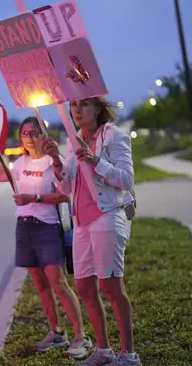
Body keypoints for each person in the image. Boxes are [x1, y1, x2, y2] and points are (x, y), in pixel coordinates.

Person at [42, 96, 141, 366]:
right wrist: (56, 160)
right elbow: (66, 188)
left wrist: (96, 159)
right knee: (84, 287)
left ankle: (129, 355)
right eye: (73, 105)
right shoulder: (74, 140)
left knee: (111, 287)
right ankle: (104, 350)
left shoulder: (114, 136)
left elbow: (126, 179)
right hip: (81, 223)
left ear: (97, 107)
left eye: (83, 104)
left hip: (107, 216)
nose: (77, 110)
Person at [0, 117, 92, 360]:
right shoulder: (20, 162)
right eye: (25, 133)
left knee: (59, 284)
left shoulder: (53, 162)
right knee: (41, 285)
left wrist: (35, 198)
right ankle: (56, 332)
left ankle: (80, 335)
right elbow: (1, 176)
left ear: (43, 135)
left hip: (47, 227)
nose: (29, 137)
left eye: (34, 132)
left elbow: (65, 195)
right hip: (24, 227)